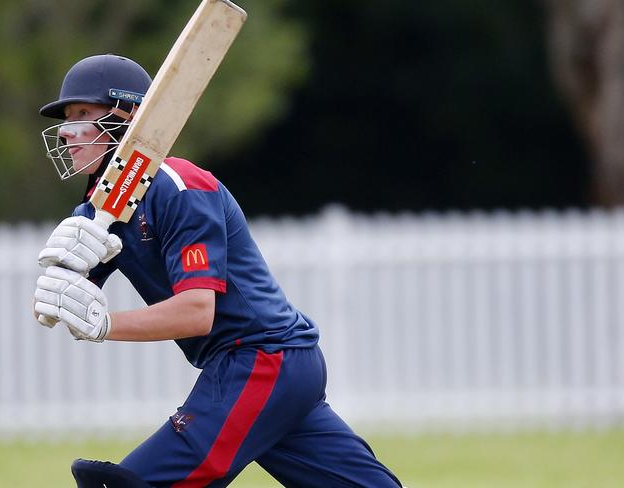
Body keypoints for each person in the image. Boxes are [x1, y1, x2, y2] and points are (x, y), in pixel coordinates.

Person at [34, 54, 403, 488]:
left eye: (82, 114)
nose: (66, 130)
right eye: (66, 117)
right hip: (268, 369)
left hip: (262, 359)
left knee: (132, 484)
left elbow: (196, 312)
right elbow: (58, 303)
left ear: (128, 114)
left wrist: (106, 324)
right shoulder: (97, 210)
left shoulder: (181, 187)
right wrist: (60, 278)